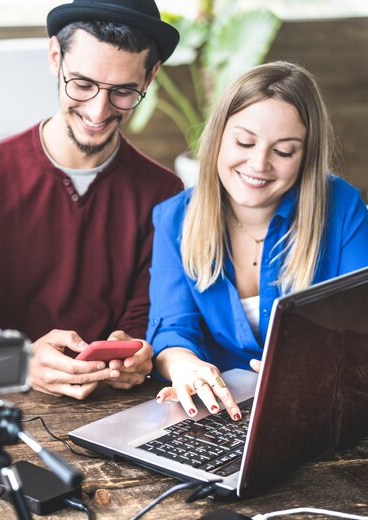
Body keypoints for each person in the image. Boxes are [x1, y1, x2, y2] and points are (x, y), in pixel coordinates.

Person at [0, 0, 183, 399]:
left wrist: (138, 353)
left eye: (123, 92)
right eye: (83, 84)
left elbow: (151, 318)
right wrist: (21, 362)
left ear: (150, 77)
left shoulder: (165, 194)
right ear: (55, 57)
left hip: (117, 406)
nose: (98, 110)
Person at [149, 61, 368, 420]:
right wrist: (184, 365)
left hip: (321, 409)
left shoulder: (342, 208)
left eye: (283, 151)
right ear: (218, 135)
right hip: (218, 410)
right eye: (244, 142)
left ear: (306, 156)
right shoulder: (174, 218)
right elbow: (172, 328)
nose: (258, 164)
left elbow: (360, 331)